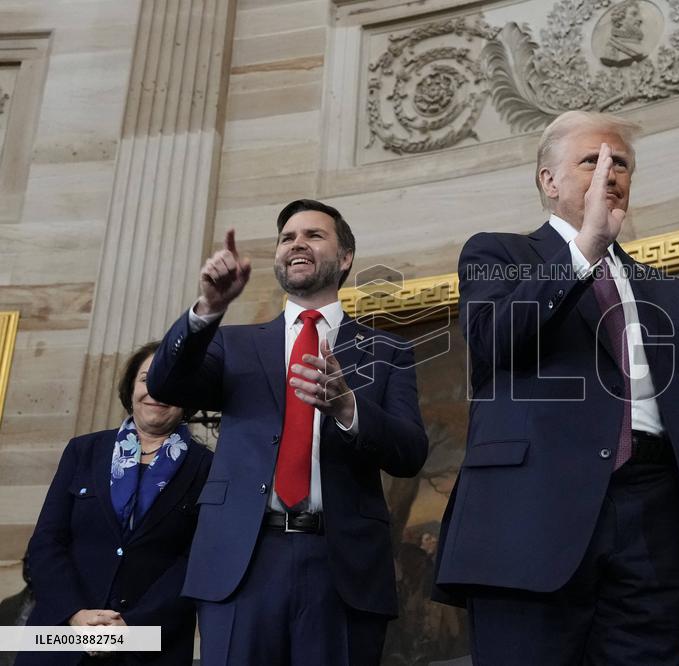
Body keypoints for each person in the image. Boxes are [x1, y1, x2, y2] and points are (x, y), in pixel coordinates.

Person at [435, 110, 679, 664]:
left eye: (619, 163)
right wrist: (586, 249)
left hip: (655, 516)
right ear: (549, 181)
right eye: (590, 160)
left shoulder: (663, 290)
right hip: (533, 512)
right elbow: (495, 339)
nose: (608, 171)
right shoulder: (497, 255)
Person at [147, 200, 428, 666]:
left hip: (341, 566)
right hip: (242, 562)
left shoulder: (387, 350)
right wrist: (208, 308)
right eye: (287, 238)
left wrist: (348, 406)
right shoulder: (233, 343)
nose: (297, 243)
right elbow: (165, 384)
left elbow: (411, 452)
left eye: (314, 235)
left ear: (345, 258)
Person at [17, 342, 213, 666]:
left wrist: (129, 629)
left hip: (147, 646)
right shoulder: (84, 451)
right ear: (131, 387)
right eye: (147, 379)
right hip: (62, 637)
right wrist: (76, 614)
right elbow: (47, 542)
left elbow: (198, 562)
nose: (156, 390)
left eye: (171, 380)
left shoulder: (209, 468)